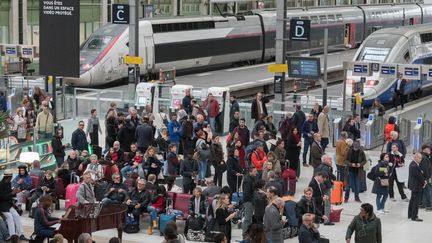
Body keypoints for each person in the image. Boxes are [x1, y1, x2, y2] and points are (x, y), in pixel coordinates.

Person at [0, 170, 28, 241]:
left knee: (17, 216)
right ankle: (13, 237)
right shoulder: (1, 185)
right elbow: (2, 197)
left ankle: (21, 234)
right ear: (9, 177)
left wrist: (16, 192)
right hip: (2, 205)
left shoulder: (8, 183)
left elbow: (9, 194)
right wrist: (12, 193)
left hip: (8, 204)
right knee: (10, 218)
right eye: (11, 176)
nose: (11, 178)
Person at [315, 155, 336, 225]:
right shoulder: (325, 168)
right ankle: (326, 220)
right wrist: (330, 185)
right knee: (327, 204)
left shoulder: (321, 166)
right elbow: (326, 179)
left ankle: (321, 218)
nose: (330, 161)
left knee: (322, 203)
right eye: (329, 159)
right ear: (324, 160)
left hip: (320, 187)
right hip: (325, 187)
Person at [408, 153, 427, 221]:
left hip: (414, 185)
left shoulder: (413, 164)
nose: (421, 160)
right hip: (416, 186)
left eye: (421, 158)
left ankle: (410, 214)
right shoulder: (414, 166)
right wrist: (424, 182)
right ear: (415, 158)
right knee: (416, 202)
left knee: (412, 200)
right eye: (419, 158)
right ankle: (414, 216)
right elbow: (419, 176)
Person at [242, 167, 257, 238]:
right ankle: (245, 234)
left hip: (250, 201)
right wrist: (252, 199)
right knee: (247, 218)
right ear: (250, 172)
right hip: (248, 201)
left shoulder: (252, 178)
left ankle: (248, 233)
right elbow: (246, 193)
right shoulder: (248, 180)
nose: (256, 173)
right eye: (254, 171)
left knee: (249, 218)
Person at [420, 145, 432, 210]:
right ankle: (429, 205)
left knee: (425, 191)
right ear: (424, 149)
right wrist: (428, 177)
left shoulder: (425, 156)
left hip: (424, 177)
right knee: (428, 191)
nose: (429, 150)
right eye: (428, 149)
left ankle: (423, 204)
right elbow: (425, 169)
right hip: (426, 177)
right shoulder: (424, 158)